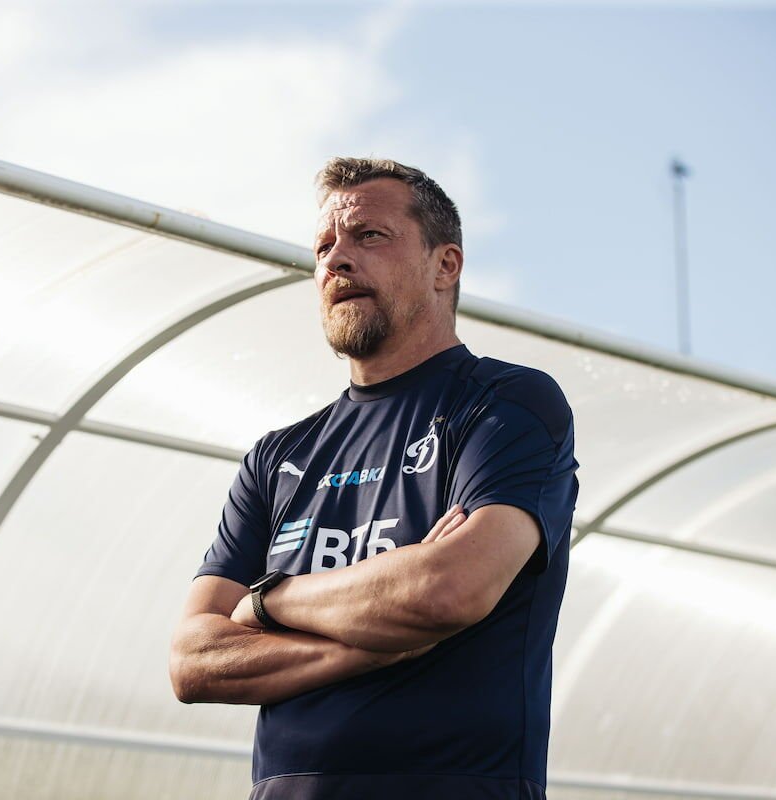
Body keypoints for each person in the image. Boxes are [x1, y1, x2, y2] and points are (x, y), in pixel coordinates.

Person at [169, 157, 580, 800]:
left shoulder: (506, 404)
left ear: (445, 265)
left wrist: (269, 602)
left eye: (369, 236)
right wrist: (373, 645)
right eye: (323, 247)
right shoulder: (276, 457)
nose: (337, 259)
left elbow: (447, 590)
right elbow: (193, 661)